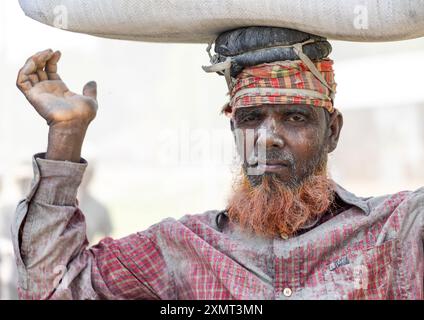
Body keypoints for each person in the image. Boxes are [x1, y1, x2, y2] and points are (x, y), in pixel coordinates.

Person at [12, 48, 423, 300]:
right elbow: (52, 291)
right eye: (250, 118)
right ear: (233, 131)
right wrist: (66, 136)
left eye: (294, 117)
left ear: (331, 132)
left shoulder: (396, 232)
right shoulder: (182, 246)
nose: (268, 137)